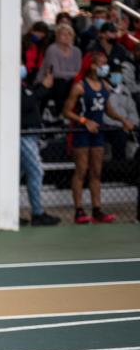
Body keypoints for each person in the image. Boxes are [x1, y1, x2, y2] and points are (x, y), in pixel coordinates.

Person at [62, 50, 135, 224]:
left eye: (105, 63)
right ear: (92, 65)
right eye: (101, 63)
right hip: (82, 133)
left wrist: (122, 119)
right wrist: (84, 121)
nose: (105, 67)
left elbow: (107, 109)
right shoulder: (80, 86)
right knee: (81, 170)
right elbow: (66, 111)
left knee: (96, 172)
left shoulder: (104, 86)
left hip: (97, 133)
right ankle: (79, 210)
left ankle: (97, 209)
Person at [20, 64, 61, 226]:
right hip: (23, 135)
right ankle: (37, 213)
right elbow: (26, 103)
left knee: (18, 174)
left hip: (31, 135)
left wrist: (43, 85)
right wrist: (43, 87)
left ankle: (14, 213)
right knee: (37, 171)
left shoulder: (24, 87)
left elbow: (32, 95)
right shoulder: (12, 88)